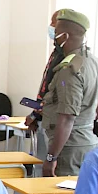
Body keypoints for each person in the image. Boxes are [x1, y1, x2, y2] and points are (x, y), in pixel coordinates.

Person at [40, 9, 98, 194]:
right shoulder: (93, 62)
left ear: (64, 35)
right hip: (85, 141)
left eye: (55, 30)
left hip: (69, 145)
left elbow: (66, 118)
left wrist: (51, 157)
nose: (52, 34)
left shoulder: (69, 70)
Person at [25, 10, 65, 164]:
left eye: (53, 23)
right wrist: (35, 115)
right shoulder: (56, 53)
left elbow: (53, 93)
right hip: (45, 118)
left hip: (54, 124)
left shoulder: (65, 59)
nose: (50, 27)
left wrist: (36, 114)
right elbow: (46, 88)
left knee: (46, 165)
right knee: (40, 163)